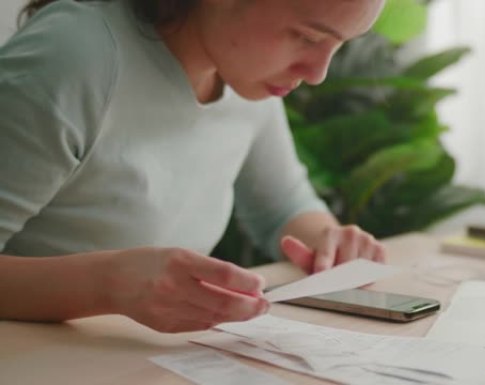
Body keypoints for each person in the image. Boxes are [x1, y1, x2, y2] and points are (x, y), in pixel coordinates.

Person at [0, 0, 387, 333]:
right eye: (307, 37)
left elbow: (283, 208)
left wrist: (328, 243)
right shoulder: (72, 56)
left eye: (340, 44)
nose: (318, 74)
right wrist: (109, 284)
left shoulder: (244, 75)